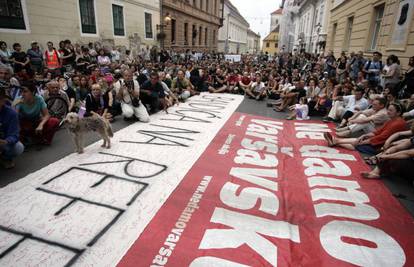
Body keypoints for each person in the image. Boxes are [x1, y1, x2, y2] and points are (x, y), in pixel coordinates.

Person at [324, 103, 407, 155]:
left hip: (381, 145)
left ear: (398, 113)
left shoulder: (398, 123)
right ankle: (336, 141)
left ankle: (336, 141)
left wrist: (366, 140)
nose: (388, 112)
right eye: (388, 109)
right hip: (378, 139)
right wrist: (365, 135)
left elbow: (382, 137)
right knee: (359, 139)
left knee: (357, 144)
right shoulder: (392, 120)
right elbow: (379, 132)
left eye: (391, 110)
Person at [0, 88, 24, 169]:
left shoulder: (11, 114)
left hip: (3, 141)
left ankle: (5, 158)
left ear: (3, 100)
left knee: (18, 147)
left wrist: (6, 141)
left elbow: (14, 135)